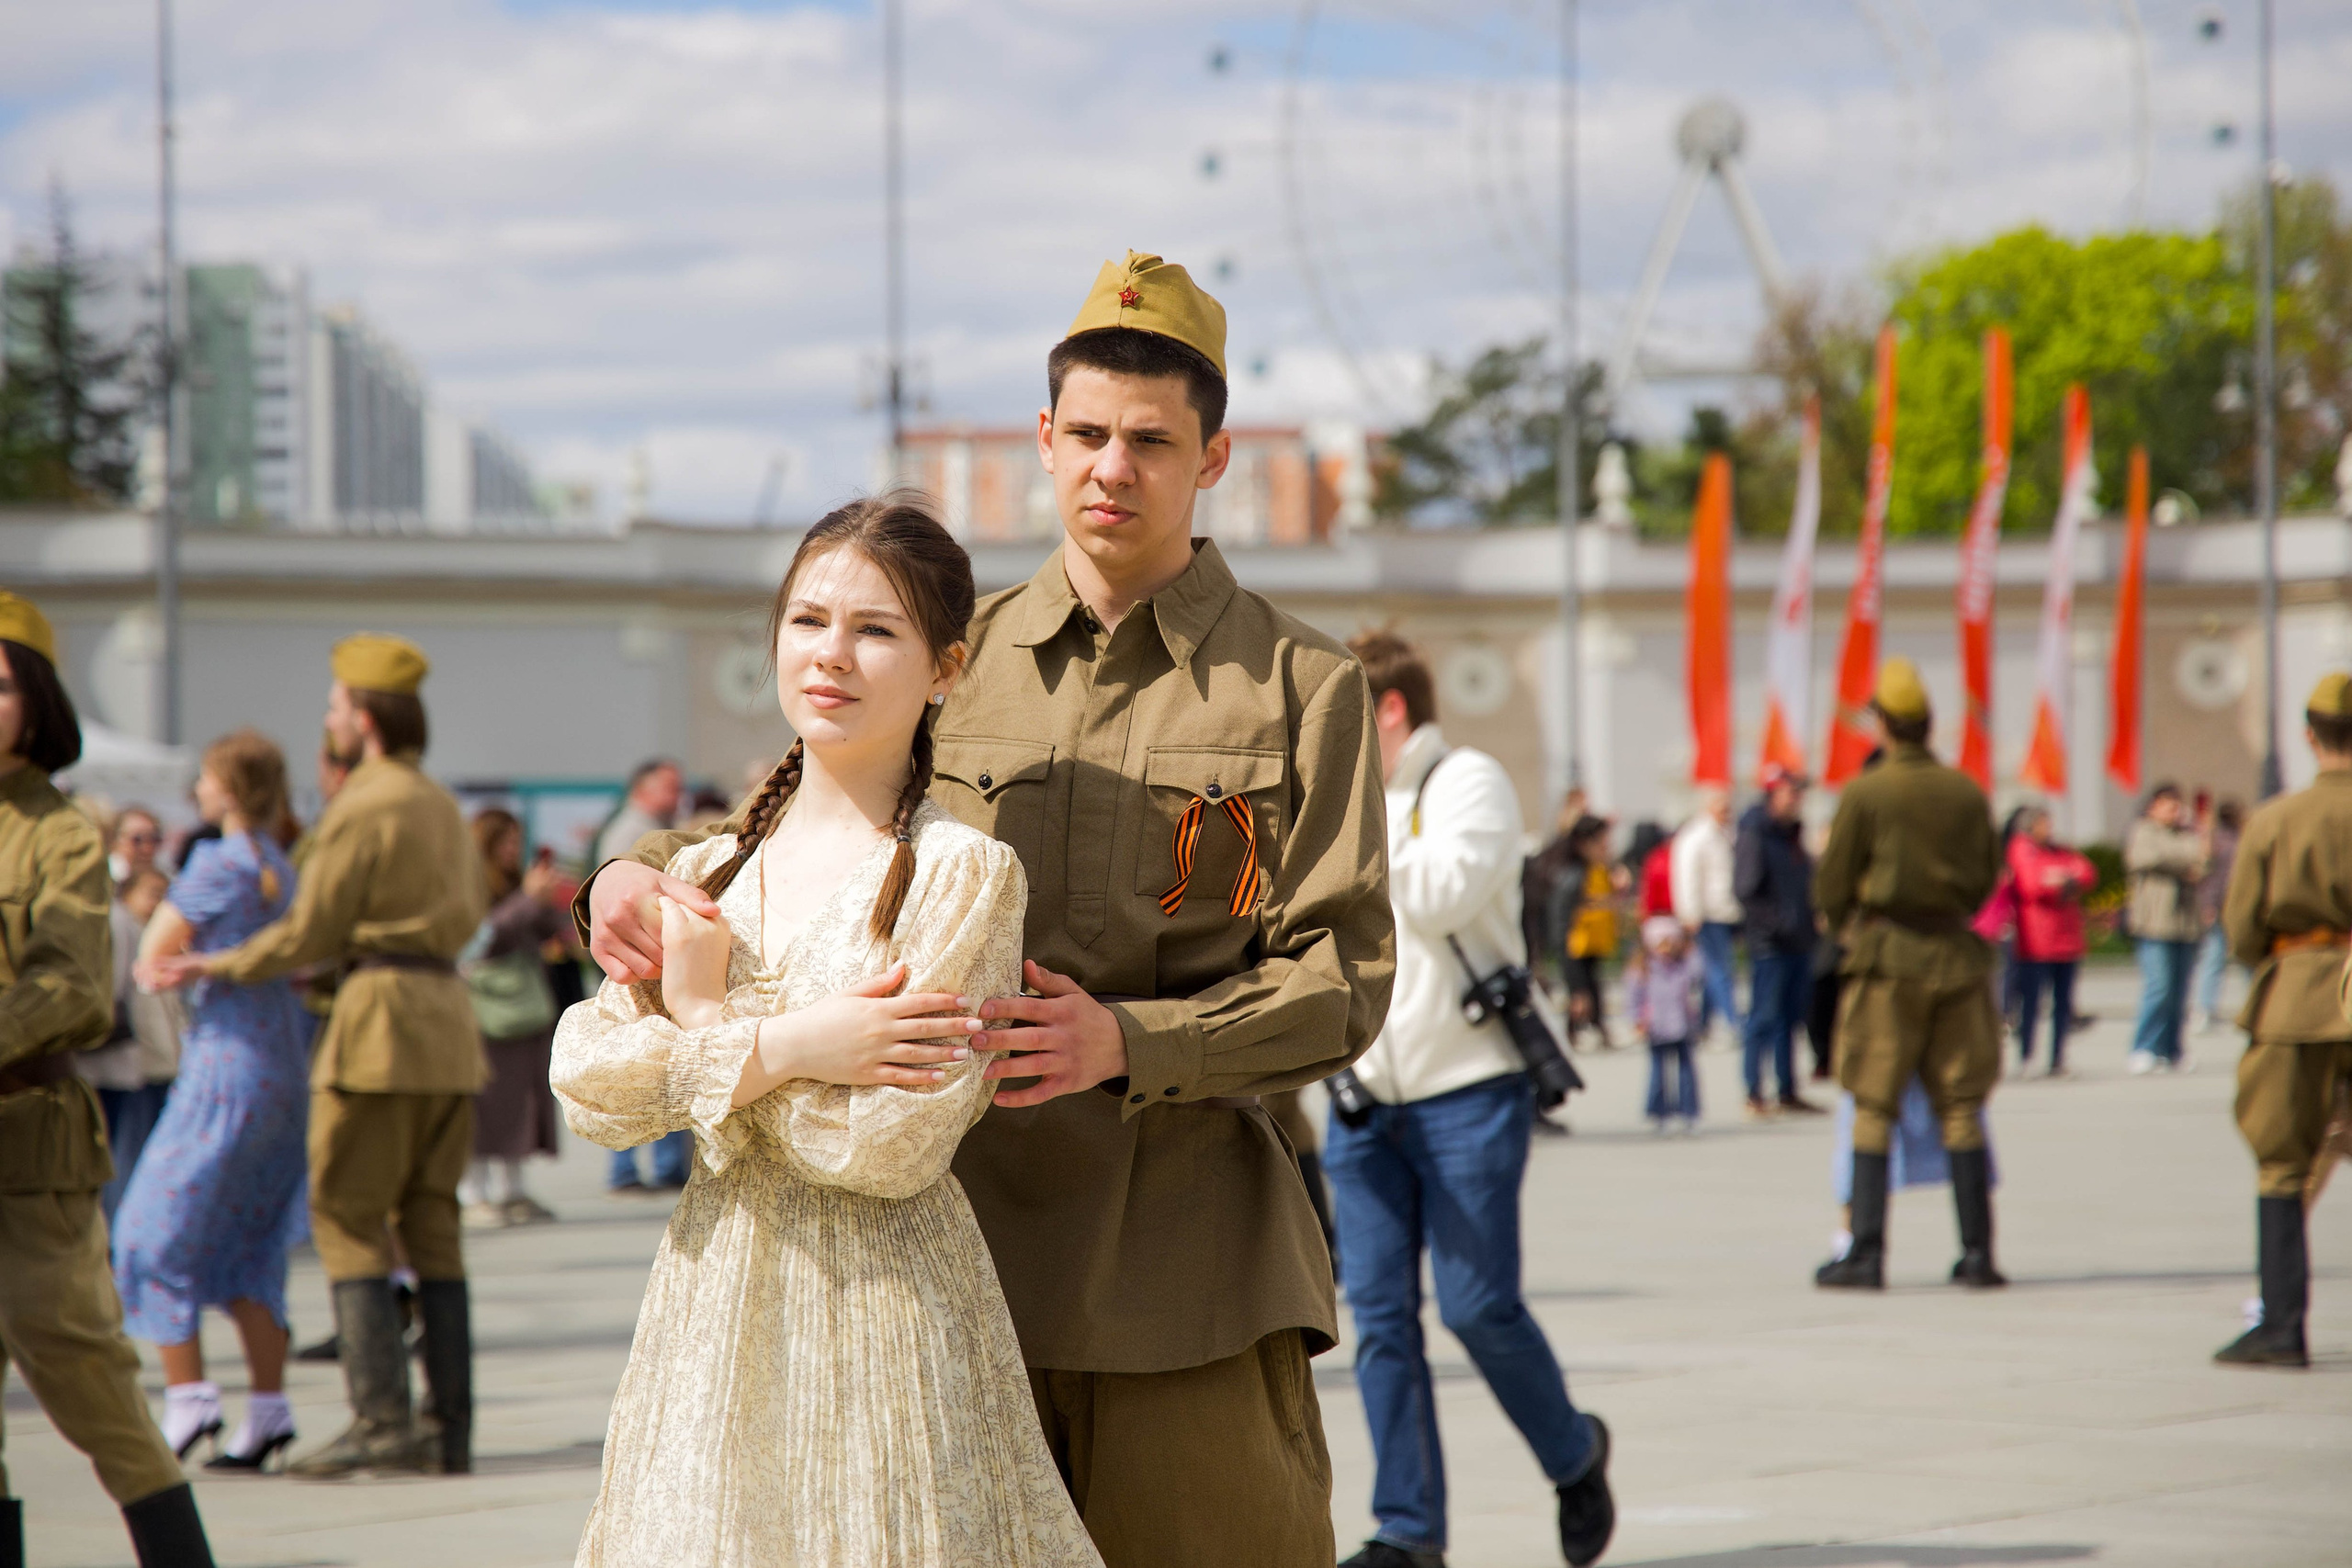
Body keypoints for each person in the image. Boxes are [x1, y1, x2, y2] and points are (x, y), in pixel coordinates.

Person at [582, 252, 1396, 1567]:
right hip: (944, 1261)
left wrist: (1131, 1039)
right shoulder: (953, 653)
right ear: (1044, 439)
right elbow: (795, 826)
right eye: (1085, 433)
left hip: (1184, 1260)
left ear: (1215, 456)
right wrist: (618, 878)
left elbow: (1344, 979)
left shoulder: (1301, 686)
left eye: (1149, 439)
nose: (1110, 468)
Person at [551, 498, 1100, 1566]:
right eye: (808, 621)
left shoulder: (962, 876)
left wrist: (704, 1036)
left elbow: (890, 1146)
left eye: (876, 630)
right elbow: (592, 1082)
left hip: (884, 1323)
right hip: (711, 1313)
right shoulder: (703, 877)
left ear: (946, 667)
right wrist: (795, 1048)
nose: (831, 656)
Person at [143, 635, 488, 1477]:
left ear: (362, 720)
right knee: (433, 1229)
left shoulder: (364, 803)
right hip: (448, 1025)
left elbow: (307, 930)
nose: (328, 721)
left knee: (345, 1216)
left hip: (378, 1026)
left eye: (335, 707)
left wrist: (213, 963)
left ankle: (381, 1425)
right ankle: (448, 1431)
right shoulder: (439, 802)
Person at [1323, 631, 1614, 1568]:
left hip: (1466, 1090)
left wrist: (1341, 848)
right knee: (1378, 1322)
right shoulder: (1352, 801)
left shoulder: (1470, 782)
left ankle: (1573, 1453)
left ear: (1391, 711)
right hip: (1363, 1093)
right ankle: (1407, 1531)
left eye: (1344, 722)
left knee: (1477, 1306)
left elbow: (1446, 893)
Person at [0, 591, 218, 1565]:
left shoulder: (64, 831)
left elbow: (77, 988)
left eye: (1, 684)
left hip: (30, 1148)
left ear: (38, 701)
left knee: (87, 1381)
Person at [115, 730, 311, 1473]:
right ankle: (268, 1409)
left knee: (146, 1231)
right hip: (283, 1068)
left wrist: (179, 968)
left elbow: (152, 958)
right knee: (252, 1244)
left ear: (227, 787)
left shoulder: (216, 863)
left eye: (204, 778)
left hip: (224, 1065)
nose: (197, 789)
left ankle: (189, 1393)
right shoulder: (280, 867)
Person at [1812, 659, 2004, 1292]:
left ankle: (1866, 1251)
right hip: (1955, 955)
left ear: (1882, 724)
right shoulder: (1965, 789)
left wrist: (1847, 927)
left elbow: (1835, 881)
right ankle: (1977, 1253)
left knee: (1872, 1101)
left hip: (1888, 958)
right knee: (1961, 1104)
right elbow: (1984, 878)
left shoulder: (1868, 792)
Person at [2211, 674, 2352, 1368]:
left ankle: (2281, 1323)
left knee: (2282, 1163)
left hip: (2299, 995)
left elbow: (2241, 925)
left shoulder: (2275, 818)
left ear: (2308, 734)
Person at [458, 808, 571, 1229]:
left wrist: (548, 903)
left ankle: (512, 1189)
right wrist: (527, 900)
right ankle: (473, 1193)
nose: (511, 850)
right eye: (504, 842)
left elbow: (546, 931)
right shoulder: (468, 885)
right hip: (485, 1009)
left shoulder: (513, 884)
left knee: (522, 1101)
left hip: (523, 1006)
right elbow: (480, 941)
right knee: (485, 1103)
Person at [594, 759, 693, 1196]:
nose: (676, 796)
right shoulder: (632, 832)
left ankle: (648, 1166)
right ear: (642, 788)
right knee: (643, 1064)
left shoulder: (642, 825)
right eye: (668, 788)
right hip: (641, 965)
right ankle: (631, 1168)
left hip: (643, 962)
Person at [80, 865, 183, 1222]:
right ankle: (120, 1230)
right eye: (153, 894)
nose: (159, 903)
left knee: (131, 1152)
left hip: (140, 1061)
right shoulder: (120, 923)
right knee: (122, 1154)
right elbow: (117, 991)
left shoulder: (142, 928)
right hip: (123, 1060)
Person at [1736, 765, 1823, 1119]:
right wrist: (1779, 922)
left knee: (1791, 1019)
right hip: (1770, 943)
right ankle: (1753, 1091)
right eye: (1791, 793)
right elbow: (1746, 891)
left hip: (1798, 941)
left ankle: (1787, 1090)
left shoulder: (1791, 836)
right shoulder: (1756, 834)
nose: (1797, 800)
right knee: (1763, 1018)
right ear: (1773, 794)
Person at [2124, 782, 2209, 1075]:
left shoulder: (2186, 833)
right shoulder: (2144, 831)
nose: (2175, 811)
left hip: (2185, 924)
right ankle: (2144, 1046)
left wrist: (2183, 856)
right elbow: (2147, 857)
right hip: (2155, 923)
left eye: (2177, 805)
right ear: (2153, 806)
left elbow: (2201, 859)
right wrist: (2182, 862)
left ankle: (2172, 1049)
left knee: (2179, 991)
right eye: (2168, 805)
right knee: (2158, 987)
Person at [2004, 807, 2095, 1077]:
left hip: (2067, 940)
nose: (2049, 829)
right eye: (2044, 823)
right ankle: (2026, 1056)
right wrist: (2063, 881)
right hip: (2036, 941)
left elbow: (2087, 873)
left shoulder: (2060, 850)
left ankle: (2057, 1058)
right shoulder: (2021, 849)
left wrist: (2061, 879)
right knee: (2031, 1002)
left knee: (2063, 1004)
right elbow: (2031, 885)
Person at [1669, 784, 1743, 1044]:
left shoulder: (1728, 833)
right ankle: (1734, 1021)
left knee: (1713, 969)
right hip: (1707, 912)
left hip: (1727, 910)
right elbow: (1686, 876)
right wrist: (1689, 912)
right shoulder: (1696, 835)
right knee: (1720, 968)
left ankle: (1703, 1022)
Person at [1555, 817, 1622, 1051]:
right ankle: (1576, 1034)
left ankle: (1595, 1031)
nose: (1606, 845)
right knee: (1579, 992)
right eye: (1601, 840)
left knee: (1592, 989)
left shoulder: (1599, 870)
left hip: (1593, 942)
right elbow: (1561, 918)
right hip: (1576, 943)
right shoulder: (1573, 875)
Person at [1632, 915, 1702, 1132]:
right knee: (1657, 1073)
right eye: (1661, 944)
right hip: (1657, 1028)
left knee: (1686, 1072)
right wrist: (1637, 1020)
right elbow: (1633, 998)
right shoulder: (1644, 970)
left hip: (1682, 1026)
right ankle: (1657, 1112)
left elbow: (1700, 975)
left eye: (1670, 943)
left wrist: (1692, 950)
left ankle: (1688, 1112)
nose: (1665, 949)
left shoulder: (1684, 966)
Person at [2192, 797, 2245, 1032]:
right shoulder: (2221, 841)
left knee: (2245, 958)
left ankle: (2254, 1004)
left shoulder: (2235, 838)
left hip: (2235, 905)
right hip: (2221, 905)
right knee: (2214, 958)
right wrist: (2208, 905)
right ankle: (2205, 1008)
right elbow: (2213, 880)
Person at [109, 806, 164, 888]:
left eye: (154, 840)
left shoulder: (166, 881)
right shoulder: (104, 878)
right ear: (115, 841)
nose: (147, 849)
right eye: (137, 840)